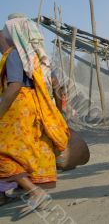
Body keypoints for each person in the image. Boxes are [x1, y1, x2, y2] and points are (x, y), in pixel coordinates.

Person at [0, 14, 69, 217]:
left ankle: (35, 191)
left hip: (18, 111)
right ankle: (11, 192)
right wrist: (58, 111)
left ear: (12, 34)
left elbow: (14, 87)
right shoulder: (38, 58)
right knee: (28, 152)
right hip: (36, 110)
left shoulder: (14, 55)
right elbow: (57, 87)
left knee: (5, 153)